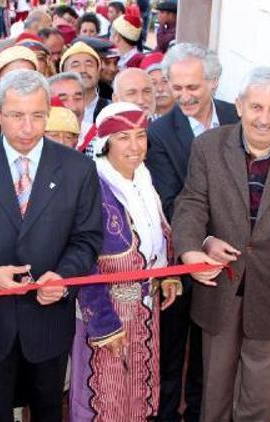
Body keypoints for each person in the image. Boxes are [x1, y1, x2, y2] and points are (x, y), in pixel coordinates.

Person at [173, 66, 270, 422]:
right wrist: (194, 247)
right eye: (257, 107)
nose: (265, 118)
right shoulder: (208, 147)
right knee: (212, 398)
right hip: (220, 292)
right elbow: (191, 204)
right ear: (240, 105)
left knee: (257, 404)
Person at [0, 69, 104, 422]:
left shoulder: (77, 169)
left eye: (37, 115)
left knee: (49, 410)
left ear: (48, 113)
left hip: (48, 321)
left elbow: (87, 238)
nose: (27, 127)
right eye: (17, 115)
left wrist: (62, 277)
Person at [144, 42, 240, 422]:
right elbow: (171, 200)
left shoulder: (238, 116)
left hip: (231, 257)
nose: (183, 96)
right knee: (172, 350)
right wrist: (199, 244)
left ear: (214, 83)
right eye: (175, 86)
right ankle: (167, 414)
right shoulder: (160, 133)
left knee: (209, 354)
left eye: (192, 87)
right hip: (182, 258)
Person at [69, 102, 181, 421]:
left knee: (136, 391)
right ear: (105, 143)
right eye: (122, 137)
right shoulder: (93, 185)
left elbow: (156, 237)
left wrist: (167, 274)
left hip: (144, 310)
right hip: (106, 314)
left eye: (141, 135)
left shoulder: (144, 178)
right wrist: (103, 322)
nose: (135, 146)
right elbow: (82, 258)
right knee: (103, 395)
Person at [60, 42, 109, 151]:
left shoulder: (111, 110)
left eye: (89, 64)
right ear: (63, 72)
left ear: (98, 71)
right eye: (75, 65)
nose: (83, 70)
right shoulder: (53, 110)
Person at [140, 52, 175, 119]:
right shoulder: (139, 122)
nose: (160, 89)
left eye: (165, 81)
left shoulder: (191, 116)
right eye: (153, 83)